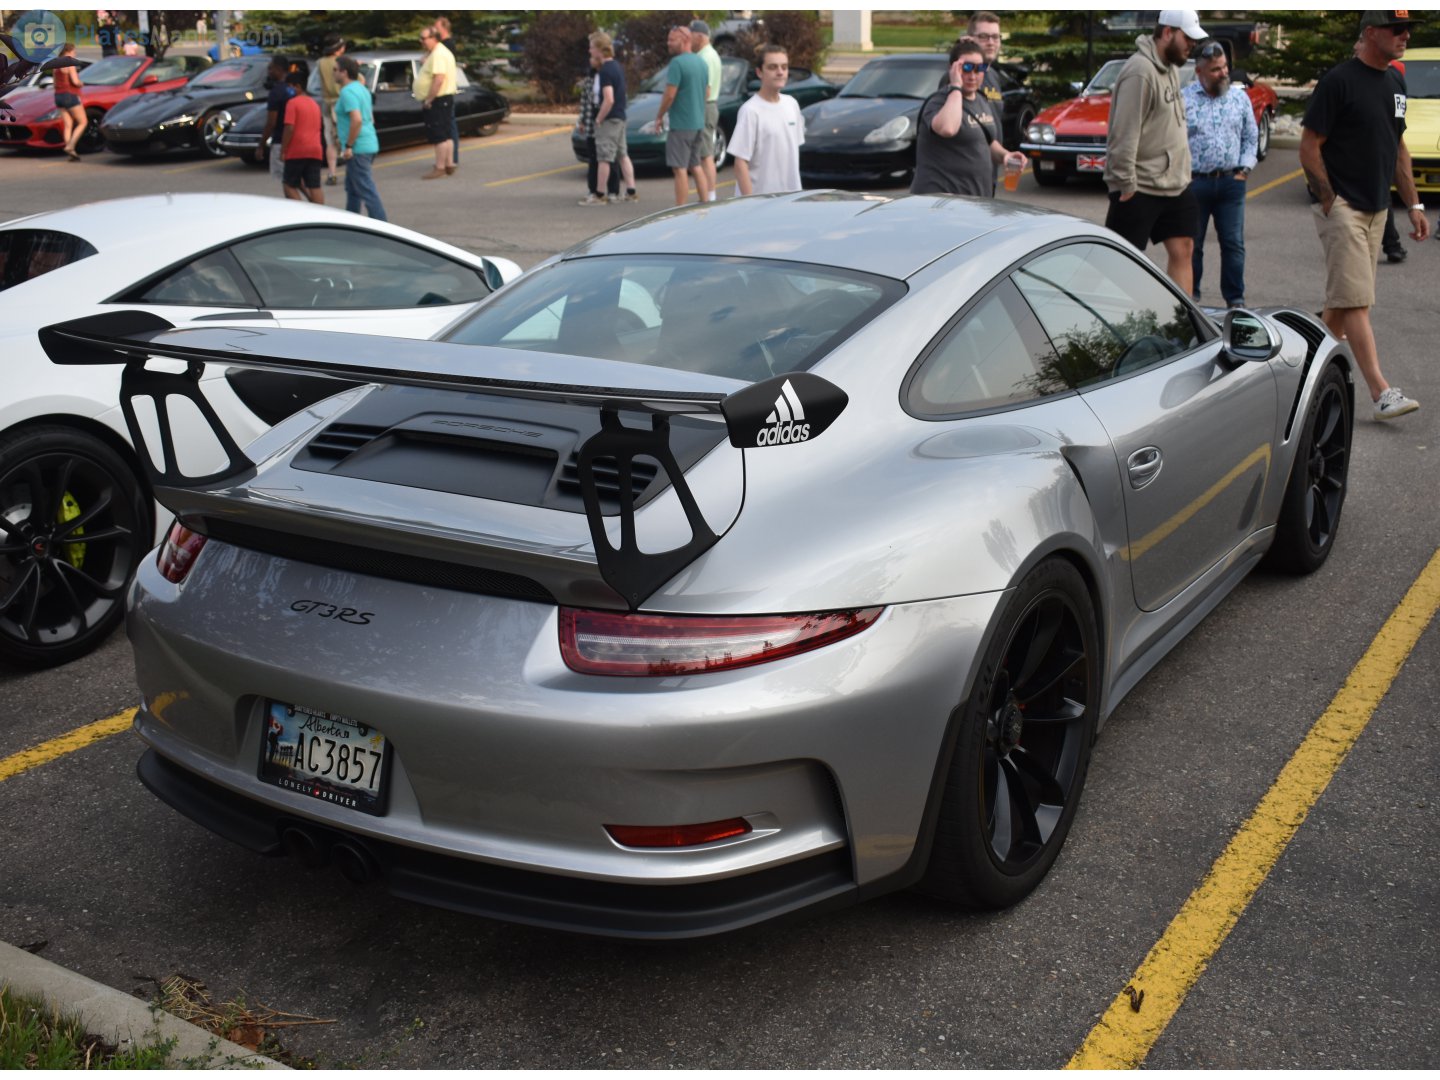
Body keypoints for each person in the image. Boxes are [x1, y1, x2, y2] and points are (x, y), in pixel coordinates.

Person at [1300, 10, 1429, 421]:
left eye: (1408, 29)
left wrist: (1414, 205)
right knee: (1356, 301)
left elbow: (1398, 147)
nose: (1404, 36)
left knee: (1341, 304)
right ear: (1371, 33)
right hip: (1345, 210)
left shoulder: (1395, 81)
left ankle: (1304, 377)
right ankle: (1380, 391)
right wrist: (1329, 201)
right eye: (1397, 29)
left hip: (1377, 211)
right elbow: (1309, 146)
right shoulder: (1339, 81)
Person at [1104, 10, 1208, 295]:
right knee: (1119, 264)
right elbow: (1123, 132)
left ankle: (1182, 329)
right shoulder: (1139, 72)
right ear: (1167, 33)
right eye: (1187, 38)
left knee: (1184, 248)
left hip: (1174, 184)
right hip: (1139, 185)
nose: (1192, 46)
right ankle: (1116, 327)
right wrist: (1125, 184)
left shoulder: (1172, 67)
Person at [1183, 40, 1258, 308]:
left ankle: (1235, 300)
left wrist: (1245, 169)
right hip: (1195, 184)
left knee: (1233, 245)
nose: (1224, 73)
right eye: (1215, 69)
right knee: (1192, 246)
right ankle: (1191, 299)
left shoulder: (1239, 98)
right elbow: (1175, 142)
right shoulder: (1185, 99)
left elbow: (1252, 138)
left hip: (1231, 183)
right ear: (1200, 72)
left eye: (1225, 67)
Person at [910, 37, 1026, 198]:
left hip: (976, 200)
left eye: (980, 68)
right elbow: (948, 129)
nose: (973, 75)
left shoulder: (981, 100)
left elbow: (986, 141)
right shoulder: (938, 102)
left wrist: (1006, 155)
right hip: (941, 201)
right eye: (966, 68)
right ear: (953, 69)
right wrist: (956, 86)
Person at [731, 44, 806, 196]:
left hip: (789, 202)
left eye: (784, 67)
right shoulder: (750, 111)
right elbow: (740, 164)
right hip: (759, 205)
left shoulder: (791, 104)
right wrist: (751, 203)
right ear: (759, 72)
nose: (780, 72)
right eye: (773, 67)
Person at [648, 26, 710, 206]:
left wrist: (659, 116)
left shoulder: (677, 63)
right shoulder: (701, 63)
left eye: (672, 39)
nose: (668, 43)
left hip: (682, 124)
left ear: (684, 40)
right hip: (698, 122)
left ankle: (680, 209)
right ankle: (705, 203)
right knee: (695, 165)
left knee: (679, 168)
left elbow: (669, 94)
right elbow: (707, 91)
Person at [587, 32, 637, 206]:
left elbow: (609, 98)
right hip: (620, 117)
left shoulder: (605, 71)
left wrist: (599, 118)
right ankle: (631, 191)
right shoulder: (616, 66)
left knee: (604, 158)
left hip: (609, 119)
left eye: (592, 47)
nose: (590, 50)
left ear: (600, 49)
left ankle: (599, 195)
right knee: (622, 154)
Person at [335, 55, 386, 221]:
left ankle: (382, 224)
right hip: (369, 142)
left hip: (358, 147)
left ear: (344, 72)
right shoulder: (362, 89)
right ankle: (352, 221)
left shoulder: (347, 92)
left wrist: (349, 145)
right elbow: (370, 118)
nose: (333, 73)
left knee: (365, 188)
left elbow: (356, 119)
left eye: (335, 70)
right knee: (353, 188)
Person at [575, 52, 622, 205]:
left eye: (593, 57)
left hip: (604, 118)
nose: (590, 60)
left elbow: (610, 99)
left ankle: (612, 190)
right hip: (591, 118)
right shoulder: (590, 78)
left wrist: (600, 118)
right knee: (593, 157)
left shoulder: (607, 74)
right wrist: (582, 120)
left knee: (609, 156)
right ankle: (593, 189)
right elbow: (585, 101)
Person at [967, 11, 1006, 191]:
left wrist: (1005, 156)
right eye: (984, 37)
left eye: (995, 37)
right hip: (966, 180)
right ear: (970, 39)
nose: (991, 42)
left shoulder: (993, 75)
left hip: (989, 173)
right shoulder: (961, 77)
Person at [416, 26, 457, 179]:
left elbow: (438, 79)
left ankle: (440, 167)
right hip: (444, 99)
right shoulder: (437, 53)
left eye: (423, 38)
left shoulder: (439, 54)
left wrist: (429, 99)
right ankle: (449, 163)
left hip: (439, 99)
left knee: (439, 134)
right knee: (446, 133)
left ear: (434, 38)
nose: (421, 41)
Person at [280, 70, 324, 204]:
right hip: (315, 150)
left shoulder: (292, 103)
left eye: (290, 86)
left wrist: (283, 149)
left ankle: (300, 213)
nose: (288, 89)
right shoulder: (314, 104)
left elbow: (289, 127)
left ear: (297, 86)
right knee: (314, 185)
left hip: (297, 150)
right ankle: (320, 214)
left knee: (288, 185)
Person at [690, 19, 722, 202]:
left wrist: (694, 109)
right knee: (705, 152)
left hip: (705, 106)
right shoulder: (710, 54)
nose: (689, 39)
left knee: (705, 154)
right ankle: (709, 194)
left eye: (692, 35)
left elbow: (705, 89)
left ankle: (709, 196)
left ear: (700, 36)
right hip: (709, 105)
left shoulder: (705, 57)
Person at [257, 54, 296, 191]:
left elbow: (271, 122)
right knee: (297, 179)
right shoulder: (294, 90)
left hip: (280, 141)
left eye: (271, 68)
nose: (269, 72)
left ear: (279, 69)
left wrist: (261, 144)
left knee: (287, 182)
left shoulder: (276, 93)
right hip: (297, 141)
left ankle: (295, 209)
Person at [433, 17, 462, 173]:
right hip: (444, 90)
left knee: (449, 125)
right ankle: (448, 159)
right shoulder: (444, 45)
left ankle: (452, 159)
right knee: (448, 124)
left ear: (444, 28)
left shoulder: (446, 45)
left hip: (445, 90)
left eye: (436, 26)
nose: (434, 29)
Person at [316, 33, 344, 187]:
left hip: (326, 103)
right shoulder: (340, 62)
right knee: (346, 139)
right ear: (339, 48)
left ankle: (332, 173)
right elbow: (358, 79)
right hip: (341, 103)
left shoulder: (320, 63)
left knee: (330, 141)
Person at [52, 43, 86, 162]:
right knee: (83, 122)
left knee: (68, 124)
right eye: (74, 50)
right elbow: (75, 81)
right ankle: (70, 146)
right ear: (69, 51)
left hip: (58, 96)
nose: (75, 53)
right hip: (70, 95)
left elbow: (55, 83)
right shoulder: (69, 63)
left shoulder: (56, 64)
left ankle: (71, 152)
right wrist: (82, 83)